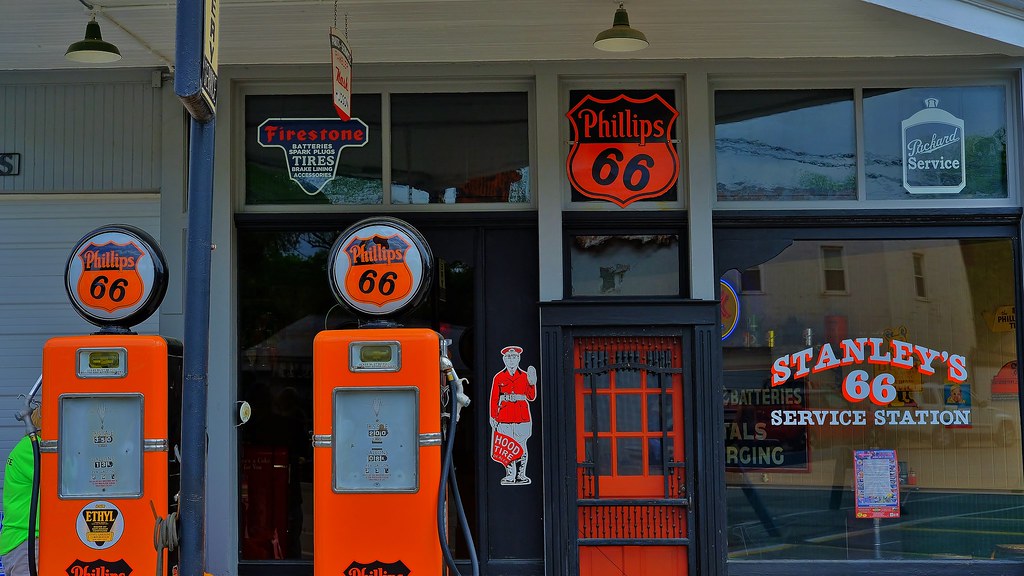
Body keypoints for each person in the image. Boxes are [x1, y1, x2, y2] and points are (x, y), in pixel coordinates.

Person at [489, 345, 538, 485]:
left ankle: (521, 475)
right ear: (504, 359)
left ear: (518, 359)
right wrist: (493, 416)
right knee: (507, 447)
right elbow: (494, 398)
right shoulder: (499, 377)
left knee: (522, 446)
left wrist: (532, 383)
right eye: (509, 357)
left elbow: (531, 397)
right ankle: (510, 475)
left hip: (522, 416)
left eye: (514, 357)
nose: (511, 360)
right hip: (504, 416)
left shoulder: (525, 376)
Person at [0, 406, 40, 576]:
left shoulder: (29, 447)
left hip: (26, 540)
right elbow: (64, 481)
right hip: (27, 540)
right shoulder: (32, 448)